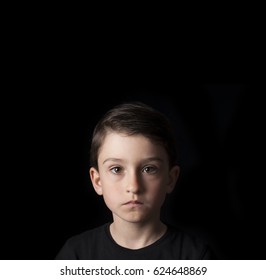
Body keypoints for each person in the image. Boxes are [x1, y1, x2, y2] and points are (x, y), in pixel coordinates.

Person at [55, 101, 215, 259]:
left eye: (149, 169)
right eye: (116, 169)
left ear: (170, 178)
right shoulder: (76, 255)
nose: (133, 186)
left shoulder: (195, 257)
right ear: (97, 181)